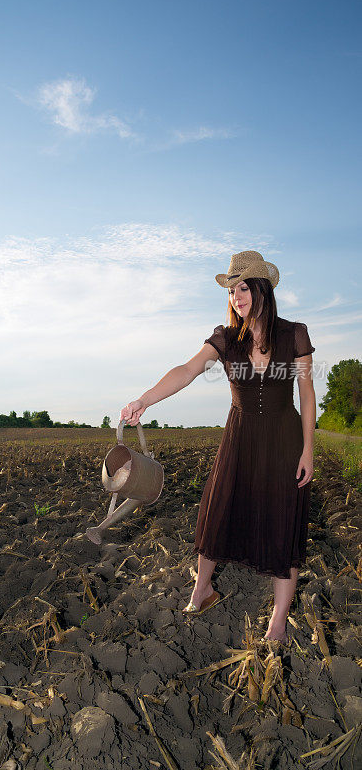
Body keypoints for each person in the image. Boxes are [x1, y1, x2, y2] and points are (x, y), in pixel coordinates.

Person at [120, 250, 316, 645]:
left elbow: (307, 393)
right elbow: (188, 370)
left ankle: (278, 622)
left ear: (262, 289)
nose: (236, 297)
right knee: (218, 509)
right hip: (239, 438)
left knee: (283, 522)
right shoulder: (226, 338)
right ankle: (202, 590)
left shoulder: (293, 334)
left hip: (283, 439)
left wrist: (308, 450)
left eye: (243, 288)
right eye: (231, 291)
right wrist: (144, 400)